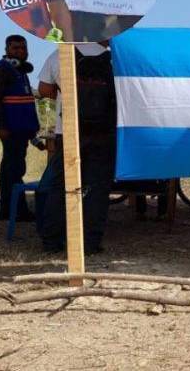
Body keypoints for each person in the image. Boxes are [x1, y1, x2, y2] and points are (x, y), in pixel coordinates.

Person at [37, 42, 116, 254]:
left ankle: (53, 240)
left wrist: (66, 94)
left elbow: (43, 89)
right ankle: (89, 243)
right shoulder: (113, 58)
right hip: (103, 132)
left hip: (68, 130)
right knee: (97, 188)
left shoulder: (60, 54)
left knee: (60, 186)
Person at [0, 35, 40, 221]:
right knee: (14, 170)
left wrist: (33, 131)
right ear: (7, 50)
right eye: (15, 48)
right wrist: (0, 126)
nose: (20, 51)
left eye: (22, 48)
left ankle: (7, 209)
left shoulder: (20, 71)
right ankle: (18, 211)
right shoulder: (1, 69)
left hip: (22, 129)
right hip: (10, 130)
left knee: (11, 169)